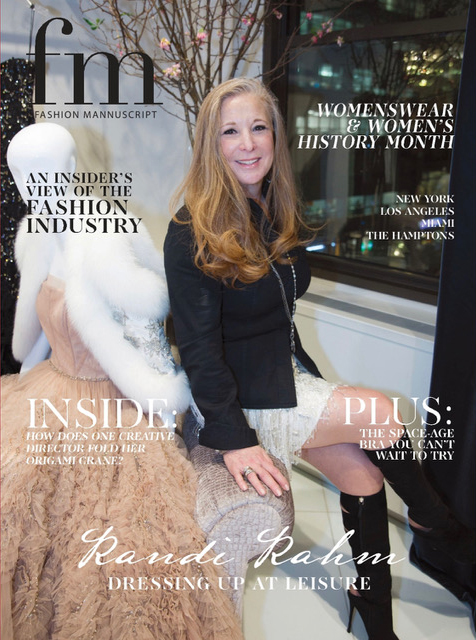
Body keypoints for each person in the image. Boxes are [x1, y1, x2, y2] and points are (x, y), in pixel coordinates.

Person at [163, 78, 474, 640]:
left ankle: (372, 608)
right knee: (380, 414)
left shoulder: (273, 208)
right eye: (230, 132)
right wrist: (234, 439)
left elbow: (277, 316)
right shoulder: (190, 230)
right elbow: (200, 350)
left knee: (363, 474)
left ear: (276, 137)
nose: (248, 143)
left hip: (285, 378)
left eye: (259, 127)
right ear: (211, 143)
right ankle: (439, 525)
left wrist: (307, 379)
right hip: (242, 399)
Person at [1, 123, 244, 640]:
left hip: (113, 405)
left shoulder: (109, 237)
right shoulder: (34, 237)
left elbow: (150, 338)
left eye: (43, 170)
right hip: (49, 389)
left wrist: (166, 415)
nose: (31, 184)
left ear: (70, 168)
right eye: (20, 173)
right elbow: (34, 343)